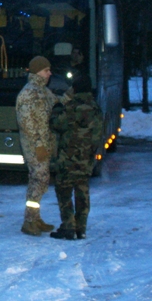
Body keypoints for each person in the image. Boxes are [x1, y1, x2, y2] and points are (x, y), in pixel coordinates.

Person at [49, 75, 103, 240]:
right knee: (82, 193)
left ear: (75, 89)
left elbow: (56, 123)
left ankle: (68, 227)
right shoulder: (96, 109)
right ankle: (81, 228)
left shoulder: (71, 107)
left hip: (68, 159)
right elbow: (98, 135)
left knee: (64, 192)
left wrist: (57, 106)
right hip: (86, 160)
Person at [16, 55, 61, 236]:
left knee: (40, 182)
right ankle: (29, 221)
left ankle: (35, 218)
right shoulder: (29, 93)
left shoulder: (42, 91)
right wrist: (38, 145)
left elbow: (55, 101)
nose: (49, 73)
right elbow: (27, 124)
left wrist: (69, 97)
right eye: (46, 70)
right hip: (35, 147)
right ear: (37, 72)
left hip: (43, 145)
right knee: (38, 181)